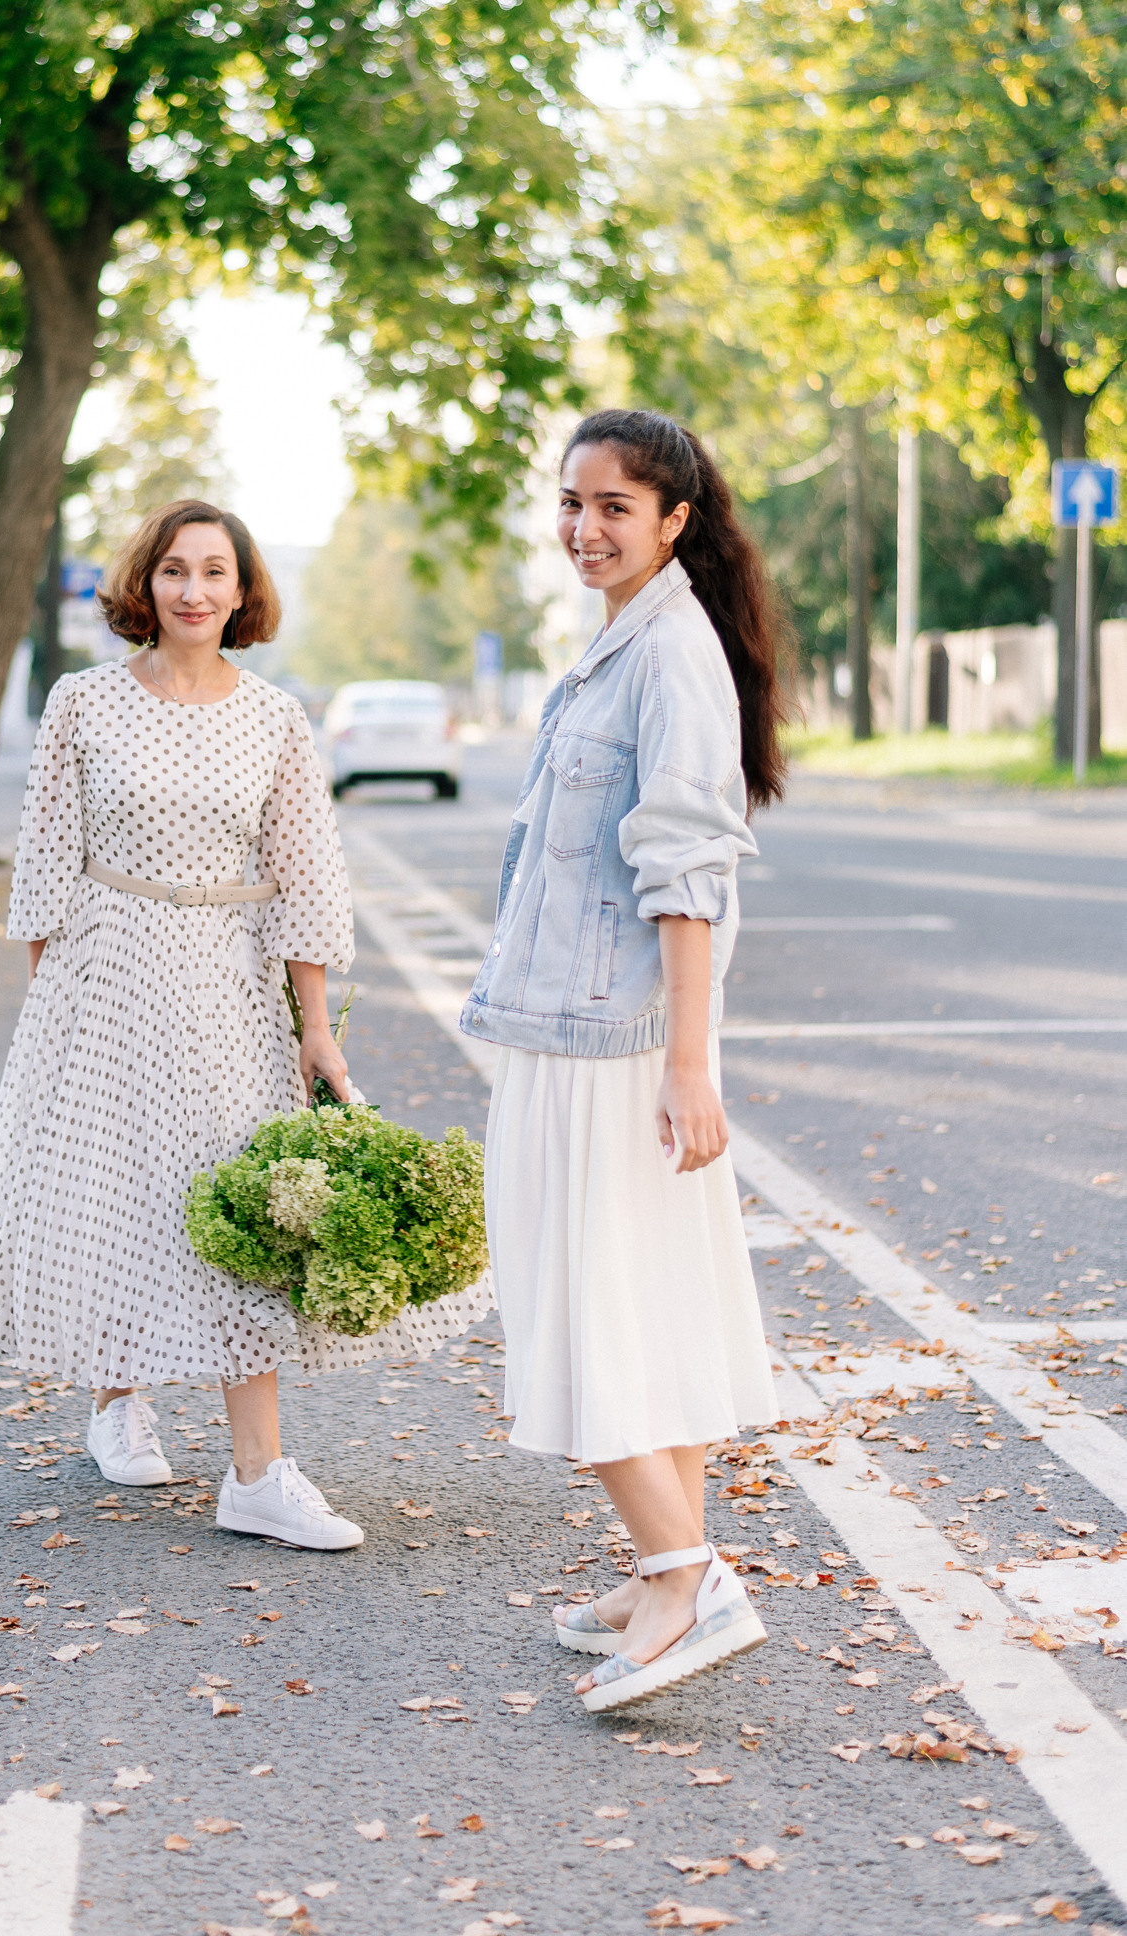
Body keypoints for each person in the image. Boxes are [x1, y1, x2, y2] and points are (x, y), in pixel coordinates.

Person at [0, 497, 491, 1551]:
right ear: (145, 582)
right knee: (117, 1189)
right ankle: (116, 1399)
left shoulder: (274, 718)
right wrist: (52, 1008)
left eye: (214, 572)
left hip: (227, 976)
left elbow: (304, 878)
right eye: (175, 569)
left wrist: (315, 1027)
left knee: (240, 1205)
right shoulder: (82, 702)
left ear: (242, 591)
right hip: (103, 970)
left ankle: (257, 1475)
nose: (193, 590)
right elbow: (45, 864)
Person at [459, 409, 784, 1709]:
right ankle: (660, 1575)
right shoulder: (623, 644)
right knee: (641, 1309)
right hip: (582, 1027)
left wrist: (689, 1063)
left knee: (575, 1308)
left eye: (614, 507)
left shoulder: (668, 653)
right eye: (571, 502)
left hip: (611, 1045)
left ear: (673, 522)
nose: (584, 529)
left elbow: (686, 870)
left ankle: (687, 1573)